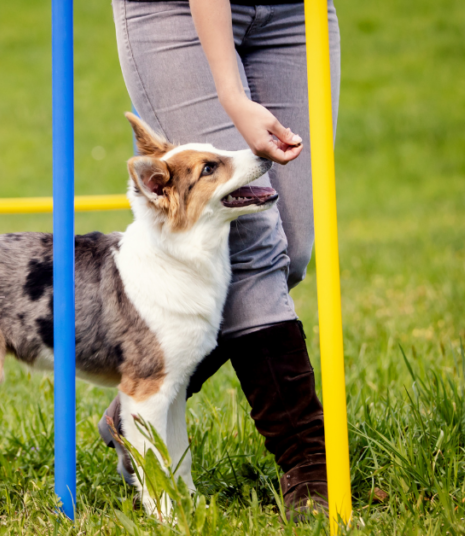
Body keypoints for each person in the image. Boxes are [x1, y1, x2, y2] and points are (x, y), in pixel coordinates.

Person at [97, 0, 341, 521]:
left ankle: (140, 402)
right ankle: (308, 466)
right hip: (176, 15)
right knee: (254, 244)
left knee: (289, 250)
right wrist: (231, 95)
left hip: (295, 14)